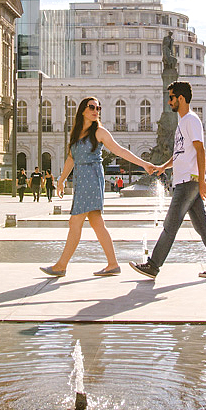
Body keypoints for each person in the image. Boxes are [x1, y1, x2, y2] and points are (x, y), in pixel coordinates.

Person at [41, 97, 160, 278]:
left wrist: (143, 164)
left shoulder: (99, 132)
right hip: (82, 179)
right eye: (92, 107)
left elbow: (120, 151)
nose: (96, 110)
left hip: (92, 178)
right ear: (82, 110)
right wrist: (61, 179)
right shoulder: (76, 133)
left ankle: (61, 266)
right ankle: (112, 264)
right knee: (97, 222)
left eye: (98, 108)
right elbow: (71, 158)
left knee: (75, 222)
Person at [131, 81, 206, 280]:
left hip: (188, 182)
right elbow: (179, 155)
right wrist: (162, 167)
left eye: (172, 97)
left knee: (170, 225)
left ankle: (153, 265)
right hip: (185, 180)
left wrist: (202, 181)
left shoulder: (191, 120)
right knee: (202, 226)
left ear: (181, 98)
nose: (169, 102)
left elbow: (200, 150)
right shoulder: (183, 122)